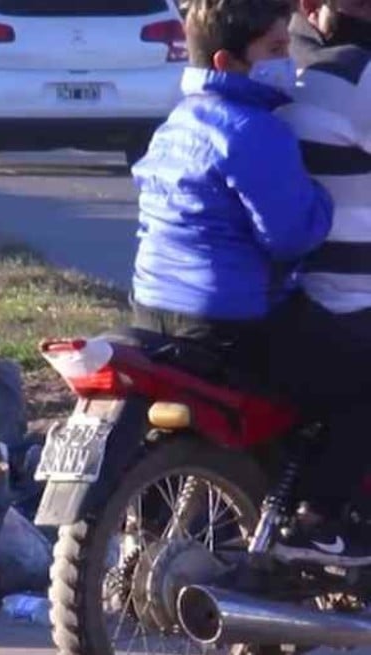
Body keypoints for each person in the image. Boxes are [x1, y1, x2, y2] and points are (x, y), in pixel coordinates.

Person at [129, 0, 333, 371]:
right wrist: (322, 195)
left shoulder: (179, 120)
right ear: (226, 62)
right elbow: (292, 237)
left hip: (150, 307)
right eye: (275, 49)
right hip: (226, 321)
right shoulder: (256, 129)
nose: (288, 61)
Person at [265, 0, 371, 566]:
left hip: (288, 296)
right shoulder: (357, 77)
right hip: (346, 300)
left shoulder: (279, 77)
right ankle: (320, 519)